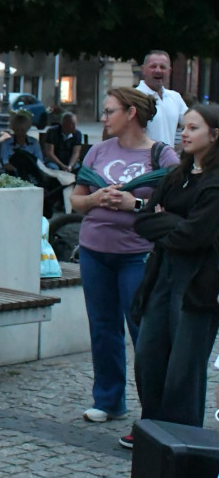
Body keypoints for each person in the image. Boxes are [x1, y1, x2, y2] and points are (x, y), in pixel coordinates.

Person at [70, 87, 177, 425]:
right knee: (103, 328)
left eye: (109, 111)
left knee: (143, 332)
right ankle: (109, 399)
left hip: (138, 254)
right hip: (94, 250)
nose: (103, 118)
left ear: (131, 113)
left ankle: (153, 408)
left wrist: (137, 205)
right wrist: (96, 199)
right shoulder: (97, 152)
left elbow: (175, 207)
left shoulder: (163, 156)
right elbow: (76, 201)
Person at [123, 104, 219, 449]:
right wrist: (174, 223)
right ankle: (153, 434)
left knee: (184, 371)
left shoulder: (214, 183)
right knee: (149, 358)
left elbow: (195, 237)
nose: (185, 134)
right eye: (183, 127)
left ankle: (184, 444)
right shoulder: (175, 177)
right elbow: (144, 221)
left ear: (214, 135)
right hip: (161, 277)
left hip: (196, 284)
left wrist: (169, 222)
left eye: (194, 128)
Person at [136, 50, 188, 147]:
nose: (158, 70)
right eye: (153, 66)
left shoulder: (175, 97)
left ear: (169, 71)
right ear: (143, 70)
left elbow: (191, 124)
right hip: (141, 160)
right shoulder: (134, 97)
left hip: (168, 161)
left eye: (163, 67)